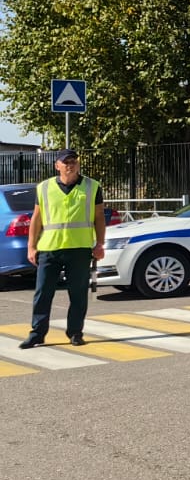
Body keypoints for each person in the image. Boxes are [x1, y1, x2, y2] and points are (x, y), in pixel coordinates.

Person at [20, 148, 106, 349]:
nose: (70, 164)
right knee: (42, 293)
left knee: (78, 294)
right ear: (57, 165)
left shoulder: (92, 186)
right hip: (50, 248)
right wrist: (31, 246)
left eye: (73, 161)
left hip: (80, 248)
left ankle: (75, 332)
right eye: (65, 162)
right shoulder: (44, 187)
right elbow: (36, 218)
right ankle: (37, 334)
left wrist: (100, 243)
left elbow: (99, 217)